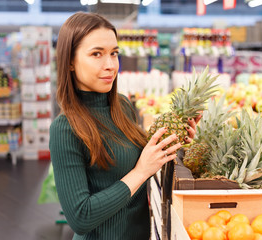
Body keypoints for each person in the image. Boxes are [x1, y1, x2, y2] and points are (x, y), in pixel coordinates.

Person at [50, 11, 201, 240]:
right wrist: (140, 172)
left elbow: (140, 161)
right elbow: (81, 217)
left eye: (114, 53)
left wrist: (178, 143)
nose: (110, 65)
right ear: (70, 61)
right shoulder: (65, 129)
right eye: (96, 54)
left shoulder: (122, 106)